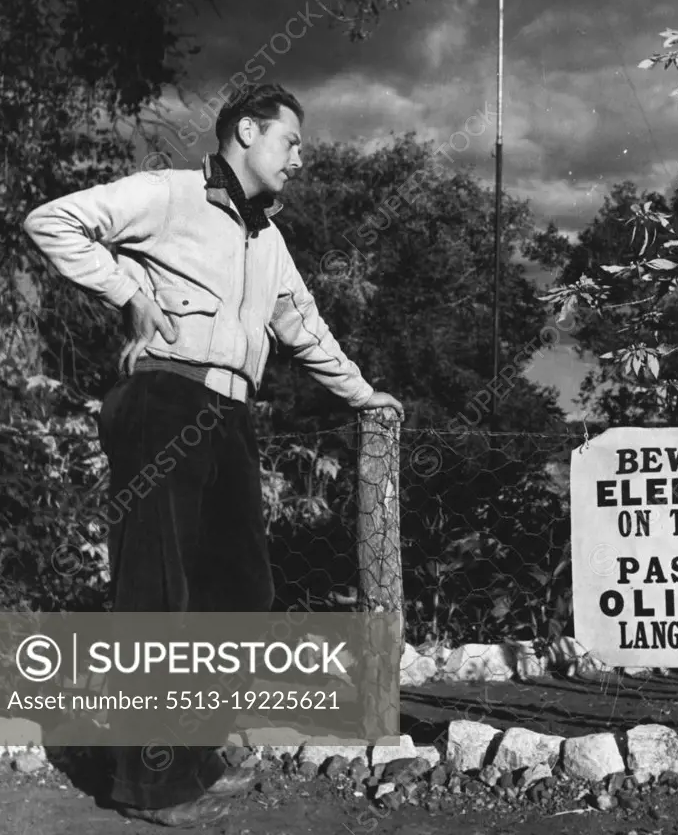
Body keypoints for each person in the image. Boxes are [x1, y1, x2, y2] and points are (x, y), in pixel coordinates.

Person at [22, 82, 404, 828]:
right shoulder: (168, 195)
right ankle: (150, 786)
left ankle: (188, 759)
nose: (300, 156)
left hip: (229, 413)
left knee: (241, 588)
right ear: (248, 133)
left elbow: (306, 328)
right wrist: (128, 289)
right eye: (290, 141)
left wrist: (364, 396)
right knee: (158, 590)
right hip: (163, 398)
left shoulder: (270, 240)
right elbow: (54, 220)